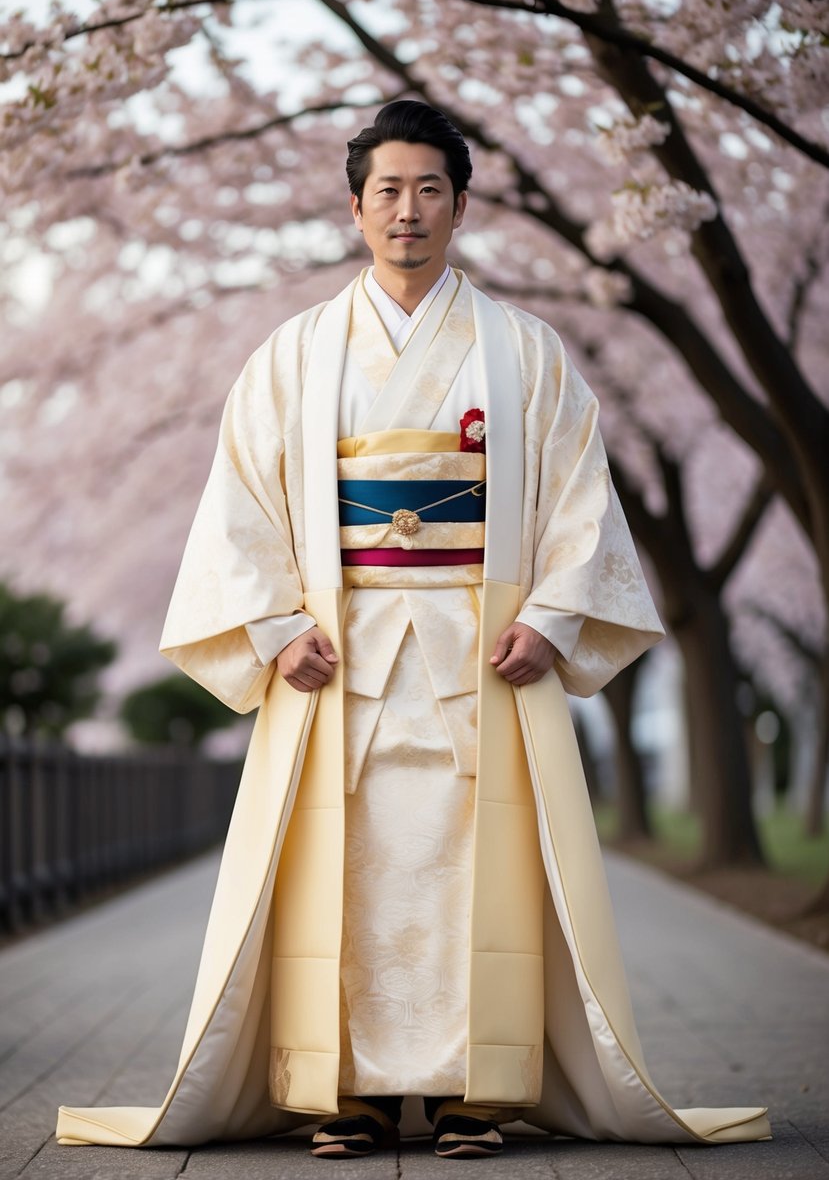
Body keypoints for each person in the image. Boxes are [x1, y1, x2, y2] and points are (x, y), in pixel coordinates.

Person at [57, 101, 770, 1159]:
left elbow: (580, 497)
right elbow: (241, 503)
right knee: (338, 870)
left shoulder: (524, 353)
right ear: (355, 208)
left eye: (429, 188)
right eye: (387, 190)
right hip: (334, 659)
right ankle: (335, 1085)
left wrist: (551, 614)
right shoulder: (292, 358)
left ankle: (472, 1089)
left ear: (461, 205)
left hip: (481, 651)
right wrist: (271, 624)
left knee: (469, 870)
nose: (408, 209)